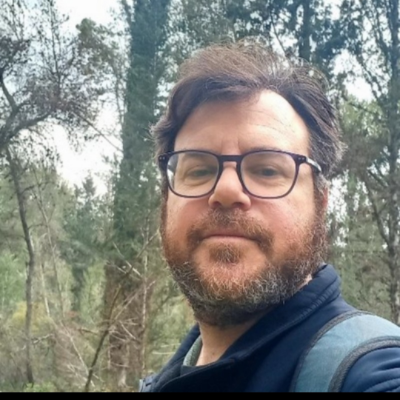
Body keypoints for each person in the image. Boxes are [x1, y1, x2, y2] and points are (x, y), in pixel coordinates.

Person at [139, 41, 400, 392]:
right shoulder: (169, 378)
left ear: (321, 202)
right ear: (166, 201)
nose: (226, 190)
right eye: (198, 170)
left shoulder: (372, 371)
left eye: (266, 170)